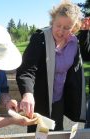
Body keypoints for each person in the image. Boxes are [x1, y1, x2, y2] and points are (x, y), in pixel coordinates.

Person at [16, 0, 87, 132]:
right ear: (52, 21)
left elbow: (84, 59)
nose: (61, 31)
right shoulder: (40, 38)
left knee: (56, 135)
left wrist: (85, 34)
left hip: (59, 100)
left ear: (74, 27)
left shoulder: (74, 43)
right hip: (39, 100)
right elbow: (27, 70)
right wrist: (27, 94)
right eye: (58, 25)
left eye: (67, 28)